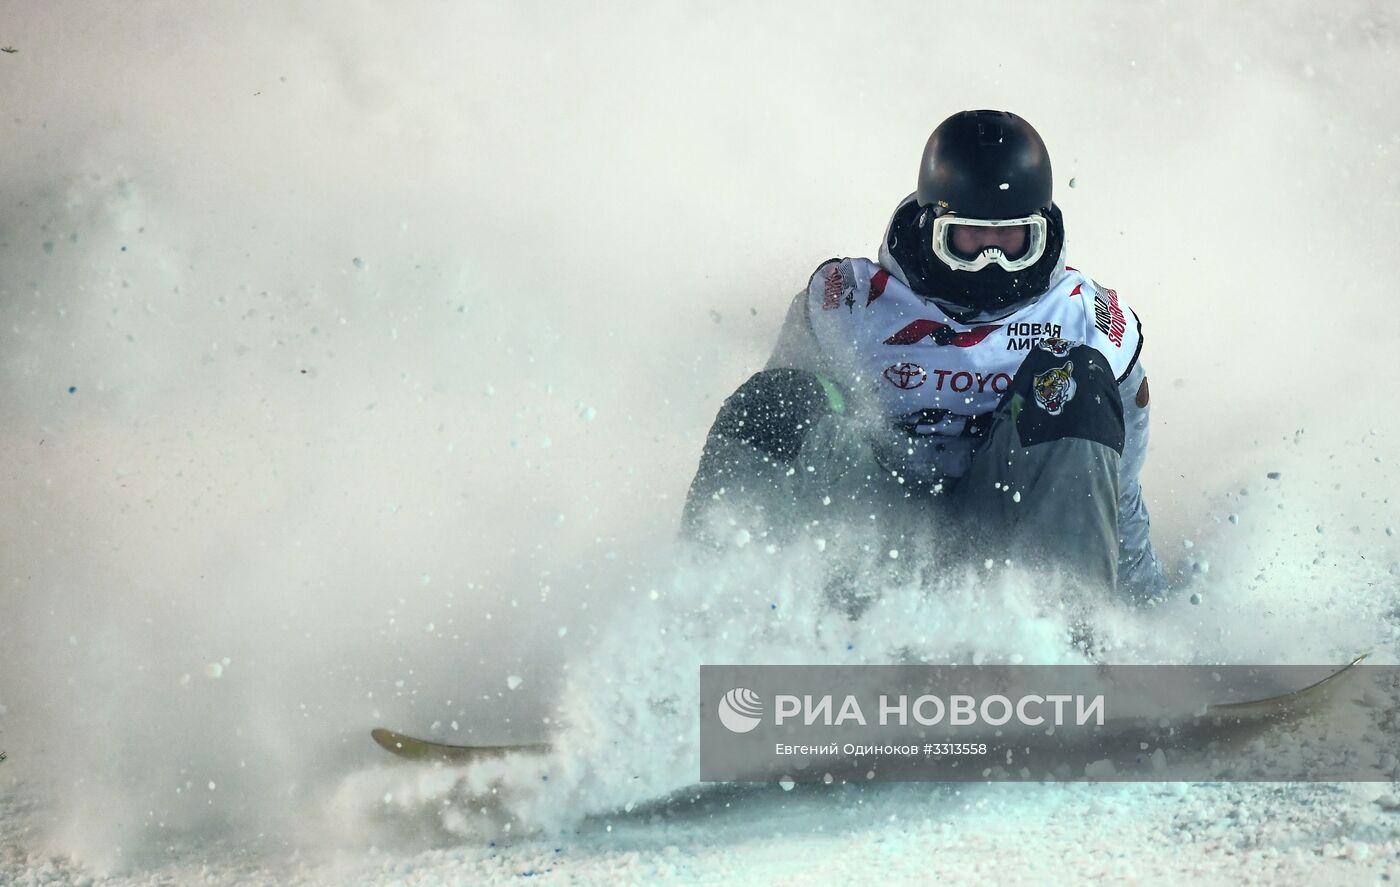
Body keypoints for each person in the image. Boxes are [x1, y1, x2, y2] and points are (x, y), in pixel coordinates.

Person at [682, 109, 1167, 603]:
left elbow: (1115, 494)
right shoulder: (848, 303)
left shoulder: (1090, 319)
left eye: (1012, 240)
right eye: (969, 238)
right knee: (778, 398)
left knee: (1073, 381)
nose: (990, 259)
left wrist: (1142, 614)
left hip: (1015, 534)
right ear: (932, 227)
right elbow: (778, 451)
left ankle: (1071, 642)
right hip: (875, 525)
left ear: (1040, 233)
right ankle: (712, 610)